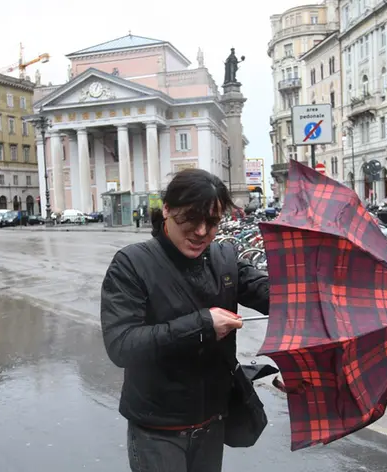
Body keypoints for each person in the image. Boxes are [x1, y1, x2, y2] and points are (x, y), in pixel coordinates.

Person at [100, 169, 270, 472]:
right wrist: (203, 326)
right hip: (157, 430)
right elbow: (121, 345)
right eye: (189, 219)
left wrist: (312, 287)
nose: (202, 232)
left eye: (213, 222)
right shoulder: (132, 264)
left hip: (212, 421)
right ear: (167, 209)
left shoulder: (225, 258)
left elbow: (274, 297)